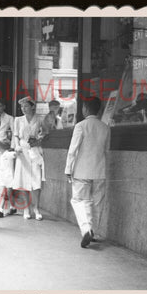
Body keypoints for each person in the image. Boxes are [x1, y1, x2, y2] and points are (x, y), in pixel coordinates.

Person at [65, 96, 110, 248]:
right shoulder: (105, 127)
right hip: (99, 170)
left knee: (79, 200)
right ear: (99, 110)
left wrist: (68, 168)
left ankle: (86, 229)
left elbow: (73, 150)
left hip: (81, 170)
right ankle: (94, 231)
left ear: (85, 108)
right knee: (97, 202)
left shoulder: (80, 126)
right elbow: (106, 151)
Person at [12, 96, 48, 221]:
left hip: (35, 151)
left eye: (26, 106)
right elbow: (16, 135)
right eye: (22, 107)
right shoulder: (18, 120)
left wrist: (39, 140)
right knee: (24, 180)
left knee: (36, 180)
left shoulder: (39, 119)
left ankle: (36, 208)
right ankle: (26, 208)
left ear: (32, 106)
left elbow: (45, 133)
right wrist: (17, 146)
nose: (23, 109)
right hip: (23, 151)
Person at [0, 138, 17, 218]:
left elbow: (15, 154)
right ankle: (0, 210)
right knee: (2, 193)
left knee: (9, 194)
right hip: (2, 176)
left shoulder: (8, 154)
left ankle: (13, 207)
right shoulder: (1, 155)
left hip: (9, 177)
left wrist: (16, 149)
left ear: (3, 147)